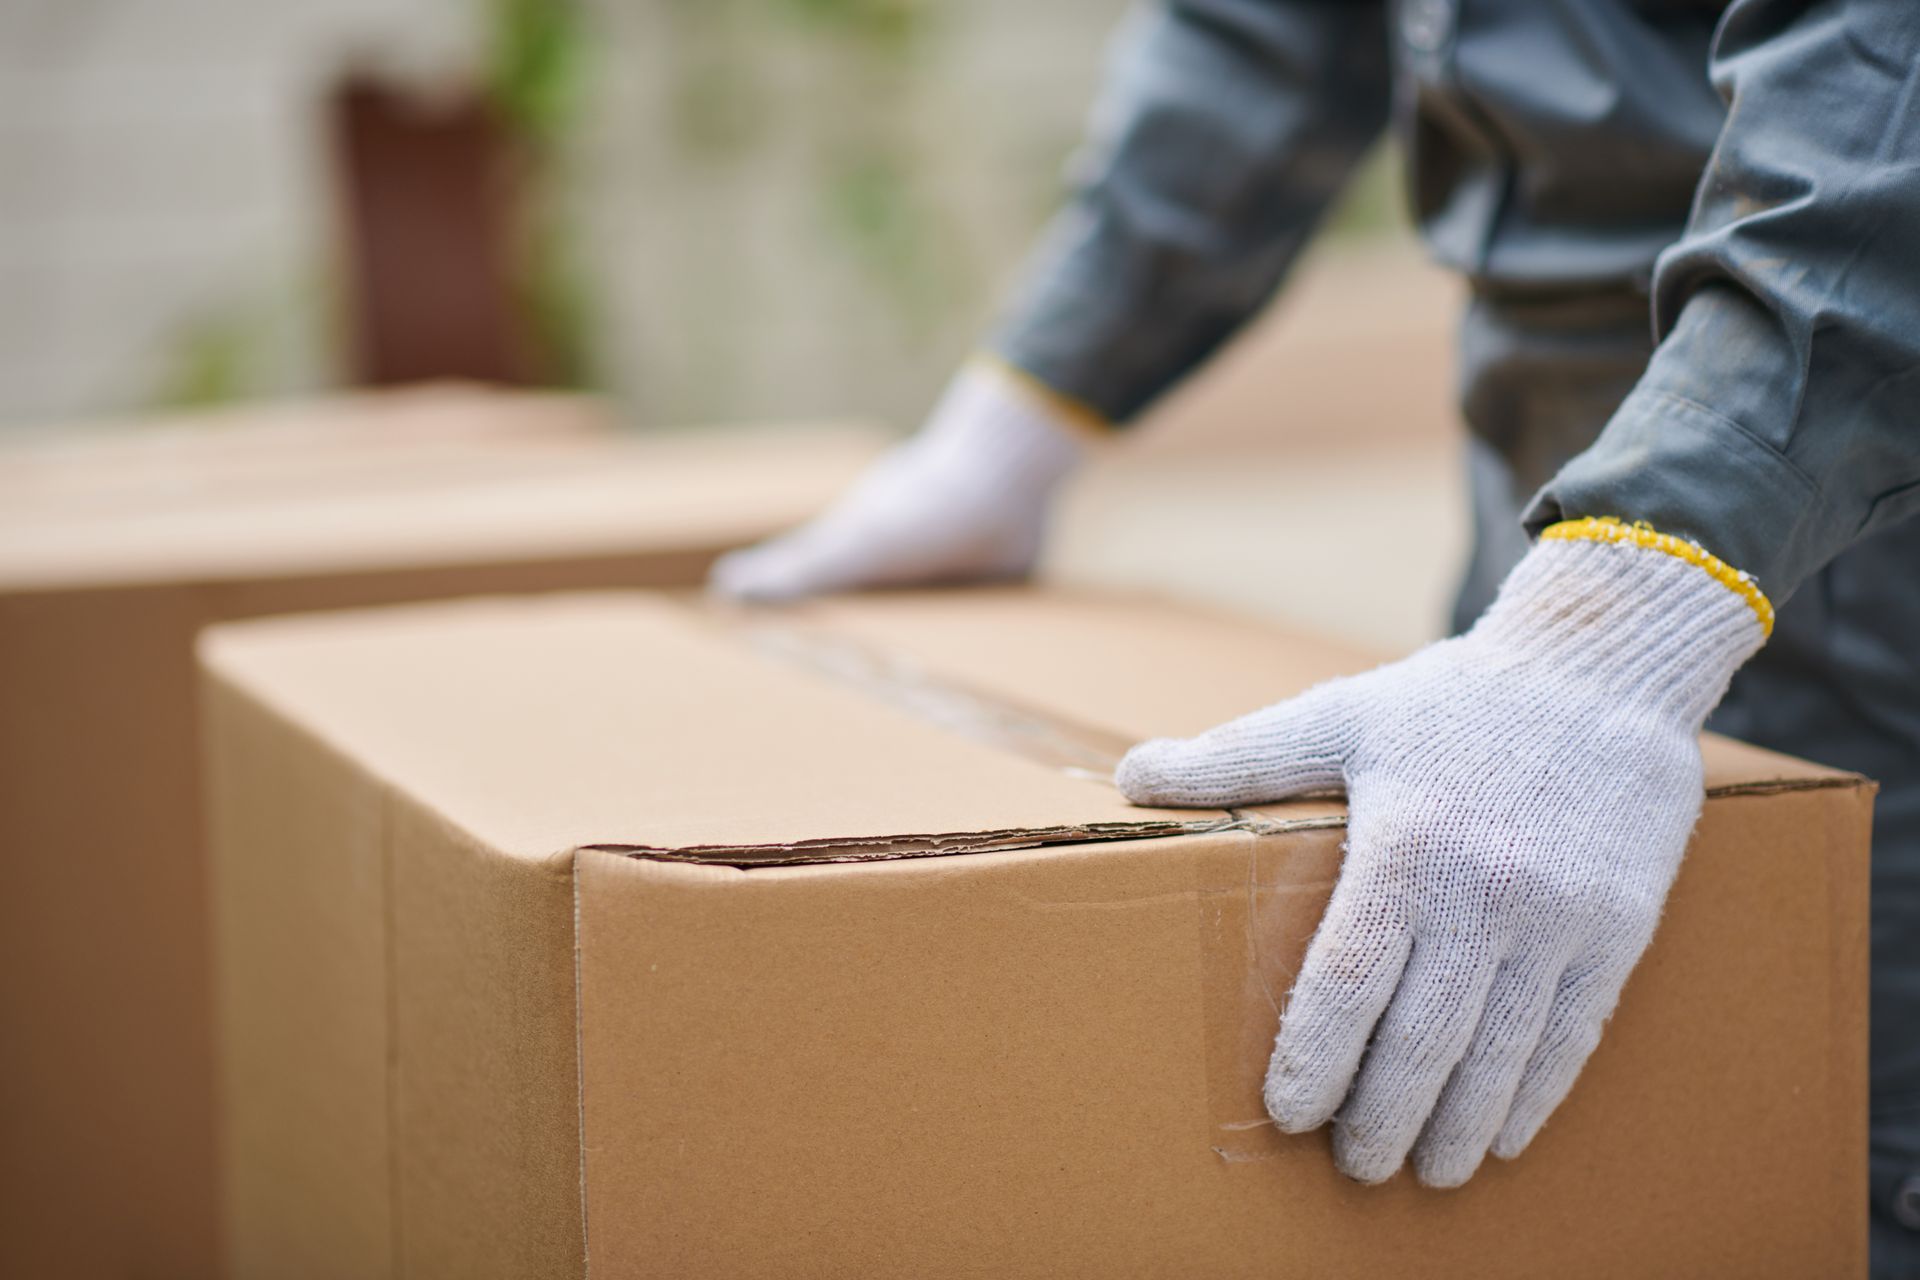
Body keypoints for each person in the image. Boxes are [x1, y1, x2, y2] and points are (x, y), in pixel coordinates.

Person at [711, 1, 1920, 1269]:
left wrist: (1614, 633)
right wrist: (1023, 414)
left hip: (1853, 540)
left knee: (1834, 1152)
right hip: (1557, 506)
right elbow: (1266, 32)